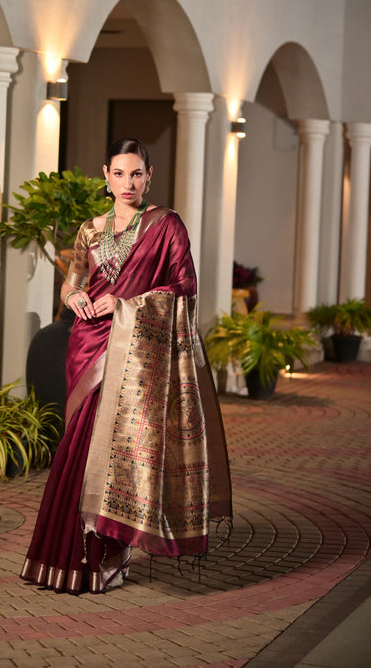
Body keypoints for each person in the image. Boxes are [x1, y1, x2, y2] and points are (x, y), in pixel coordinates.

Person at [20, 138, 232, 594]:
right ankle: (65, 557)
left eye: (136, 173)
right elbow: (71, 283)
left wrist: (126, 303)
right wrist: (75, 297)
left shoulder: (166, 226)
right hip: (87, 344)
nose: (128, 183)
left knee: (117, 451)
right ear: (106, 175)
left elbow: (184, 287)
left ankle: (109, 555)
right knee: (78, 448)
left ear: (149, 176)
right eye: (119, 173)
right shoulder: (89, 230)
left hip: (134, 352)